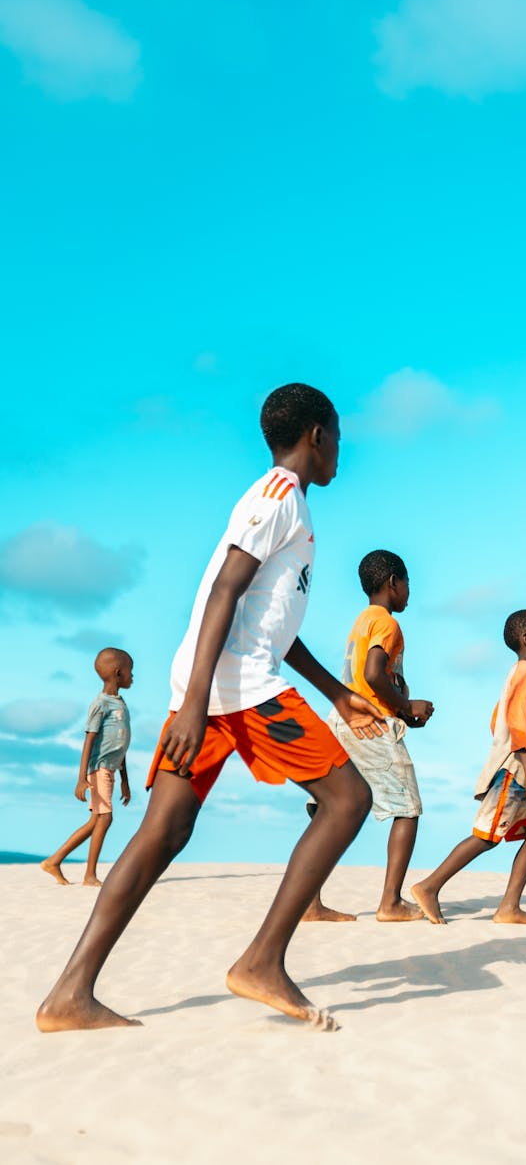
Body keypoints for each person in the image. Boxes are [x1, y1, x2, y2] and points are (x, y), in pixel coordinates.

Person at [36, 383, 384, 1035]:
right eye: (337, 434)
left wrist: (335, 692)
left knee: (161, 834)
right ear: (315, 434)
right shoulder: (277, 497)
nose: (341, 448)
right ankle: (262, 961)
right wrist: (196, 704)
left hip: (219, 682)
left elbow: (271, 624)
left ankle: (68, 995)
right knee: (348, 801)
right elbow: (225, 589)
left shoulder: (289, 505)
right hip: (234, 689)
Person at [305, 550, 434, 923]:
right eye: (408, 582)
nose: (410, 591)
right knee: (407, 808)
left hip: (342, 721)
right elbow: (374, 673)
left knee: (331, 808)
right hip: (370, 724)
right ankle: (390, 902)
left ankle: (309, 902)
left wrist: (405, 706)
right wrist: (407, 708)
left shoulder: (362, 620)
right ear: (393, 582)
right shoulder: (387, 624)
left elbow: (368, 677)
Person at [411, 609, 526, 927]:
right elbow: (516, 719)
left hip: (521, 768)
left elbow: (497, 719)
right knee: (487, 836)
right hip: (516, 771)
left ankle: (509, 907)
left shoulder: (524, 674)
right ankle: (429, 886)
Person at [41, 649, 133, 888]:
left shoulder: (120, 703)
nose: (133, 676)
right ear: (118, 673)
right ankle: (89, 875)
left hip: (111, 770)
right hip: (99, 768)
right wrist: (81, 778)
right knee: (105, 818)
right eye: (131, 671)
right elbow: (89, 741)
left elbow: (119, 746)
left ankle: (54, 861)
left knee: (95, 821)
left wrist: (125, 780)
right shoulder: (101, 704)